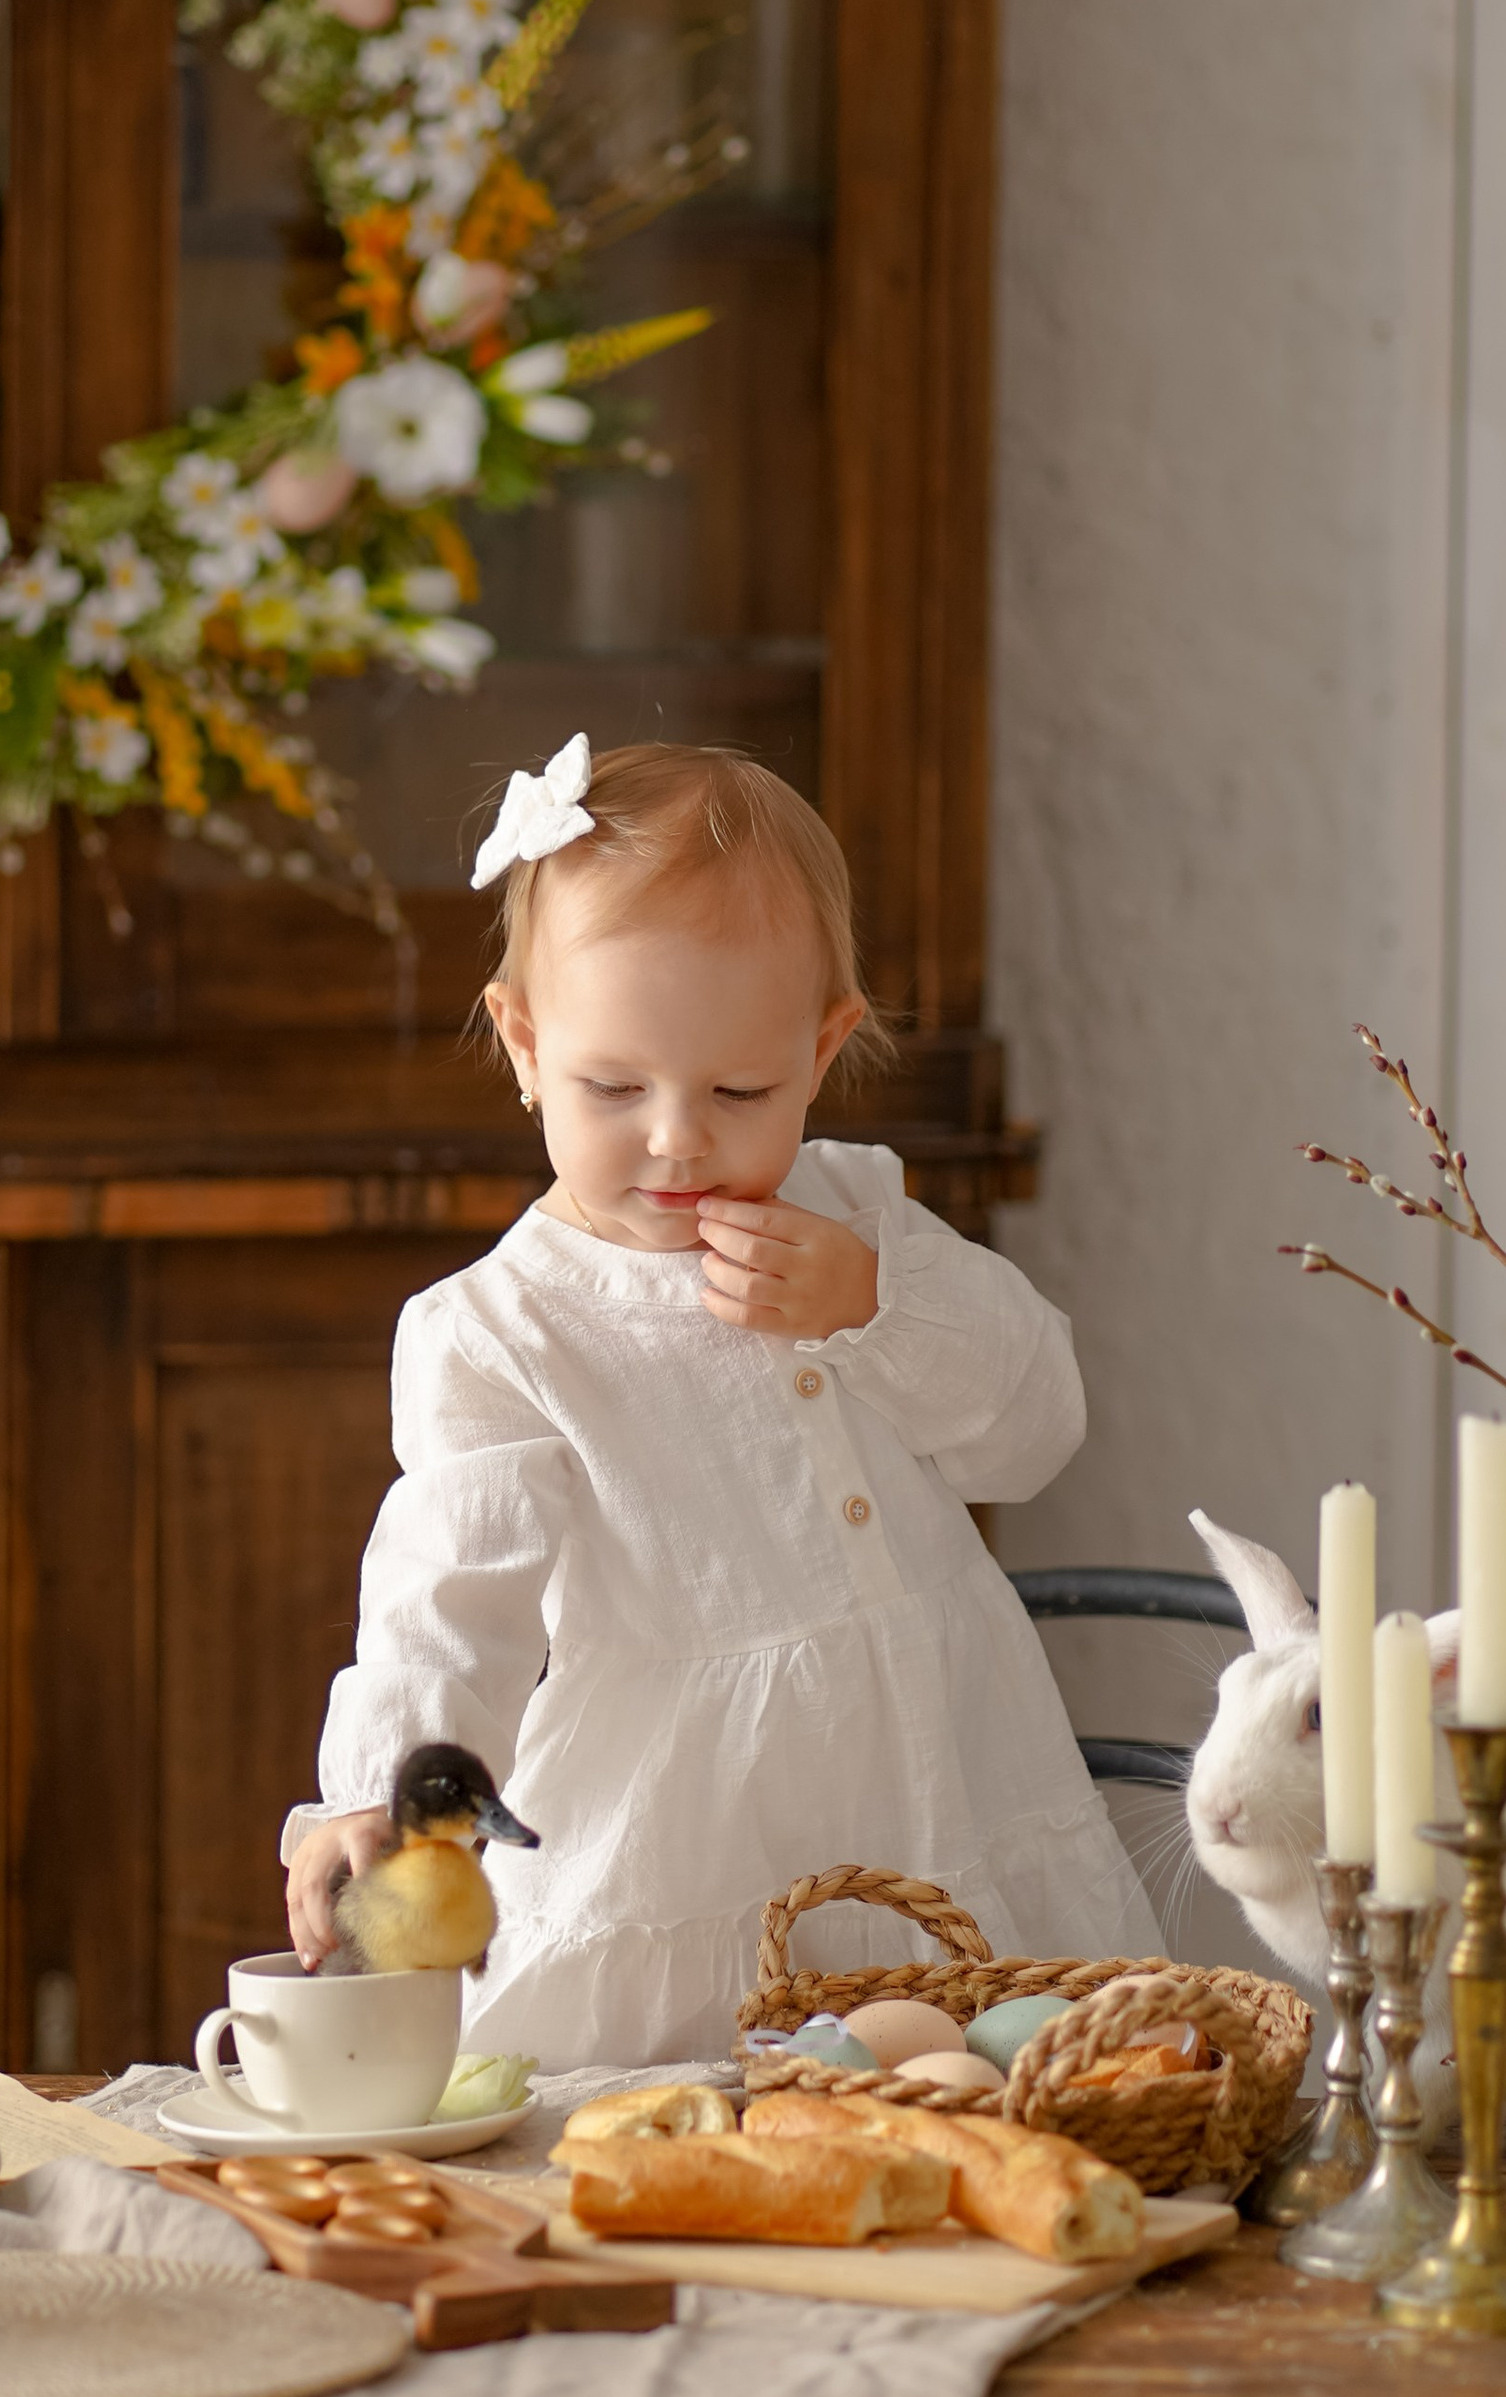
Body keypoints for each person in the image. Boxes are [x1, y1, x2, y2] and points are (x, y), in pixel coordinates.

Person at [281, 737, 1152, 2067]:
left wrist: (877, 1304)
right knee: (690, 2137)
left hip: (946, 1796)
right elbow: (446, 1607)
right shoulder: (500, 1333)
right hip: (682, 1848)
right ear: (523, 1042)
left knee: (985, 2097)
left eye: (739, 1091)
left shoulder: (859, 1217)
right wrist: (379, 1799)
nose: (678, 1138)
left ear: (821, 1052)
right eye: (614, 1089)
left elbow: (1035, 1430)